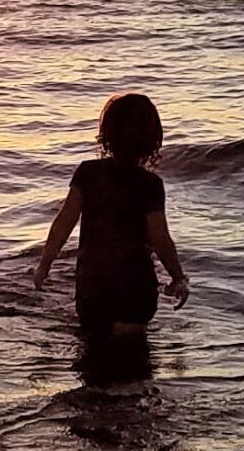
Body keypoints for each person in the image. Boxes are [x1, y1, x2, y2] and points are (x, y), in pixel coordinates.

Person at [36, 90, 190, 342]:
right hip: (136, 289)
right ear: (153, 141)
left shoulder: (87, 173)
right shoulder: (150, 185)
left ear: (106, 135)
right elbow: (160, 239)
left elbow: (64, 222)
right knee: (135, 358)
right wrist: (178, 277)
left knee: (93, 359)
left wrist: (45, 264)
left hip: (94, 289)